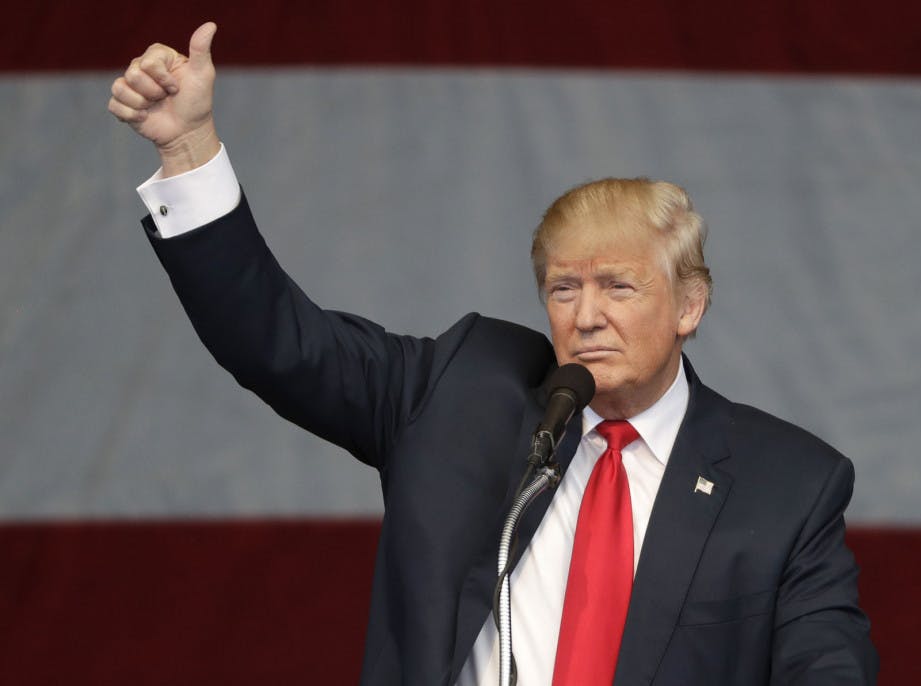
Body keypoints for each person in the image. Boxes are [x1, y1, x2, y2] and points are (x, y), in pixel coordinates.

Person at [109, 22, 878, 686]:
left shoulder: (788, 485)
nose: (586, 317)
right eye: (563, 288)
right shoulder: (458, 390)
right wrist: (187, 148)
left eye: (618, 287)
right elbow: (278, 342)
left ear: (690, 304)